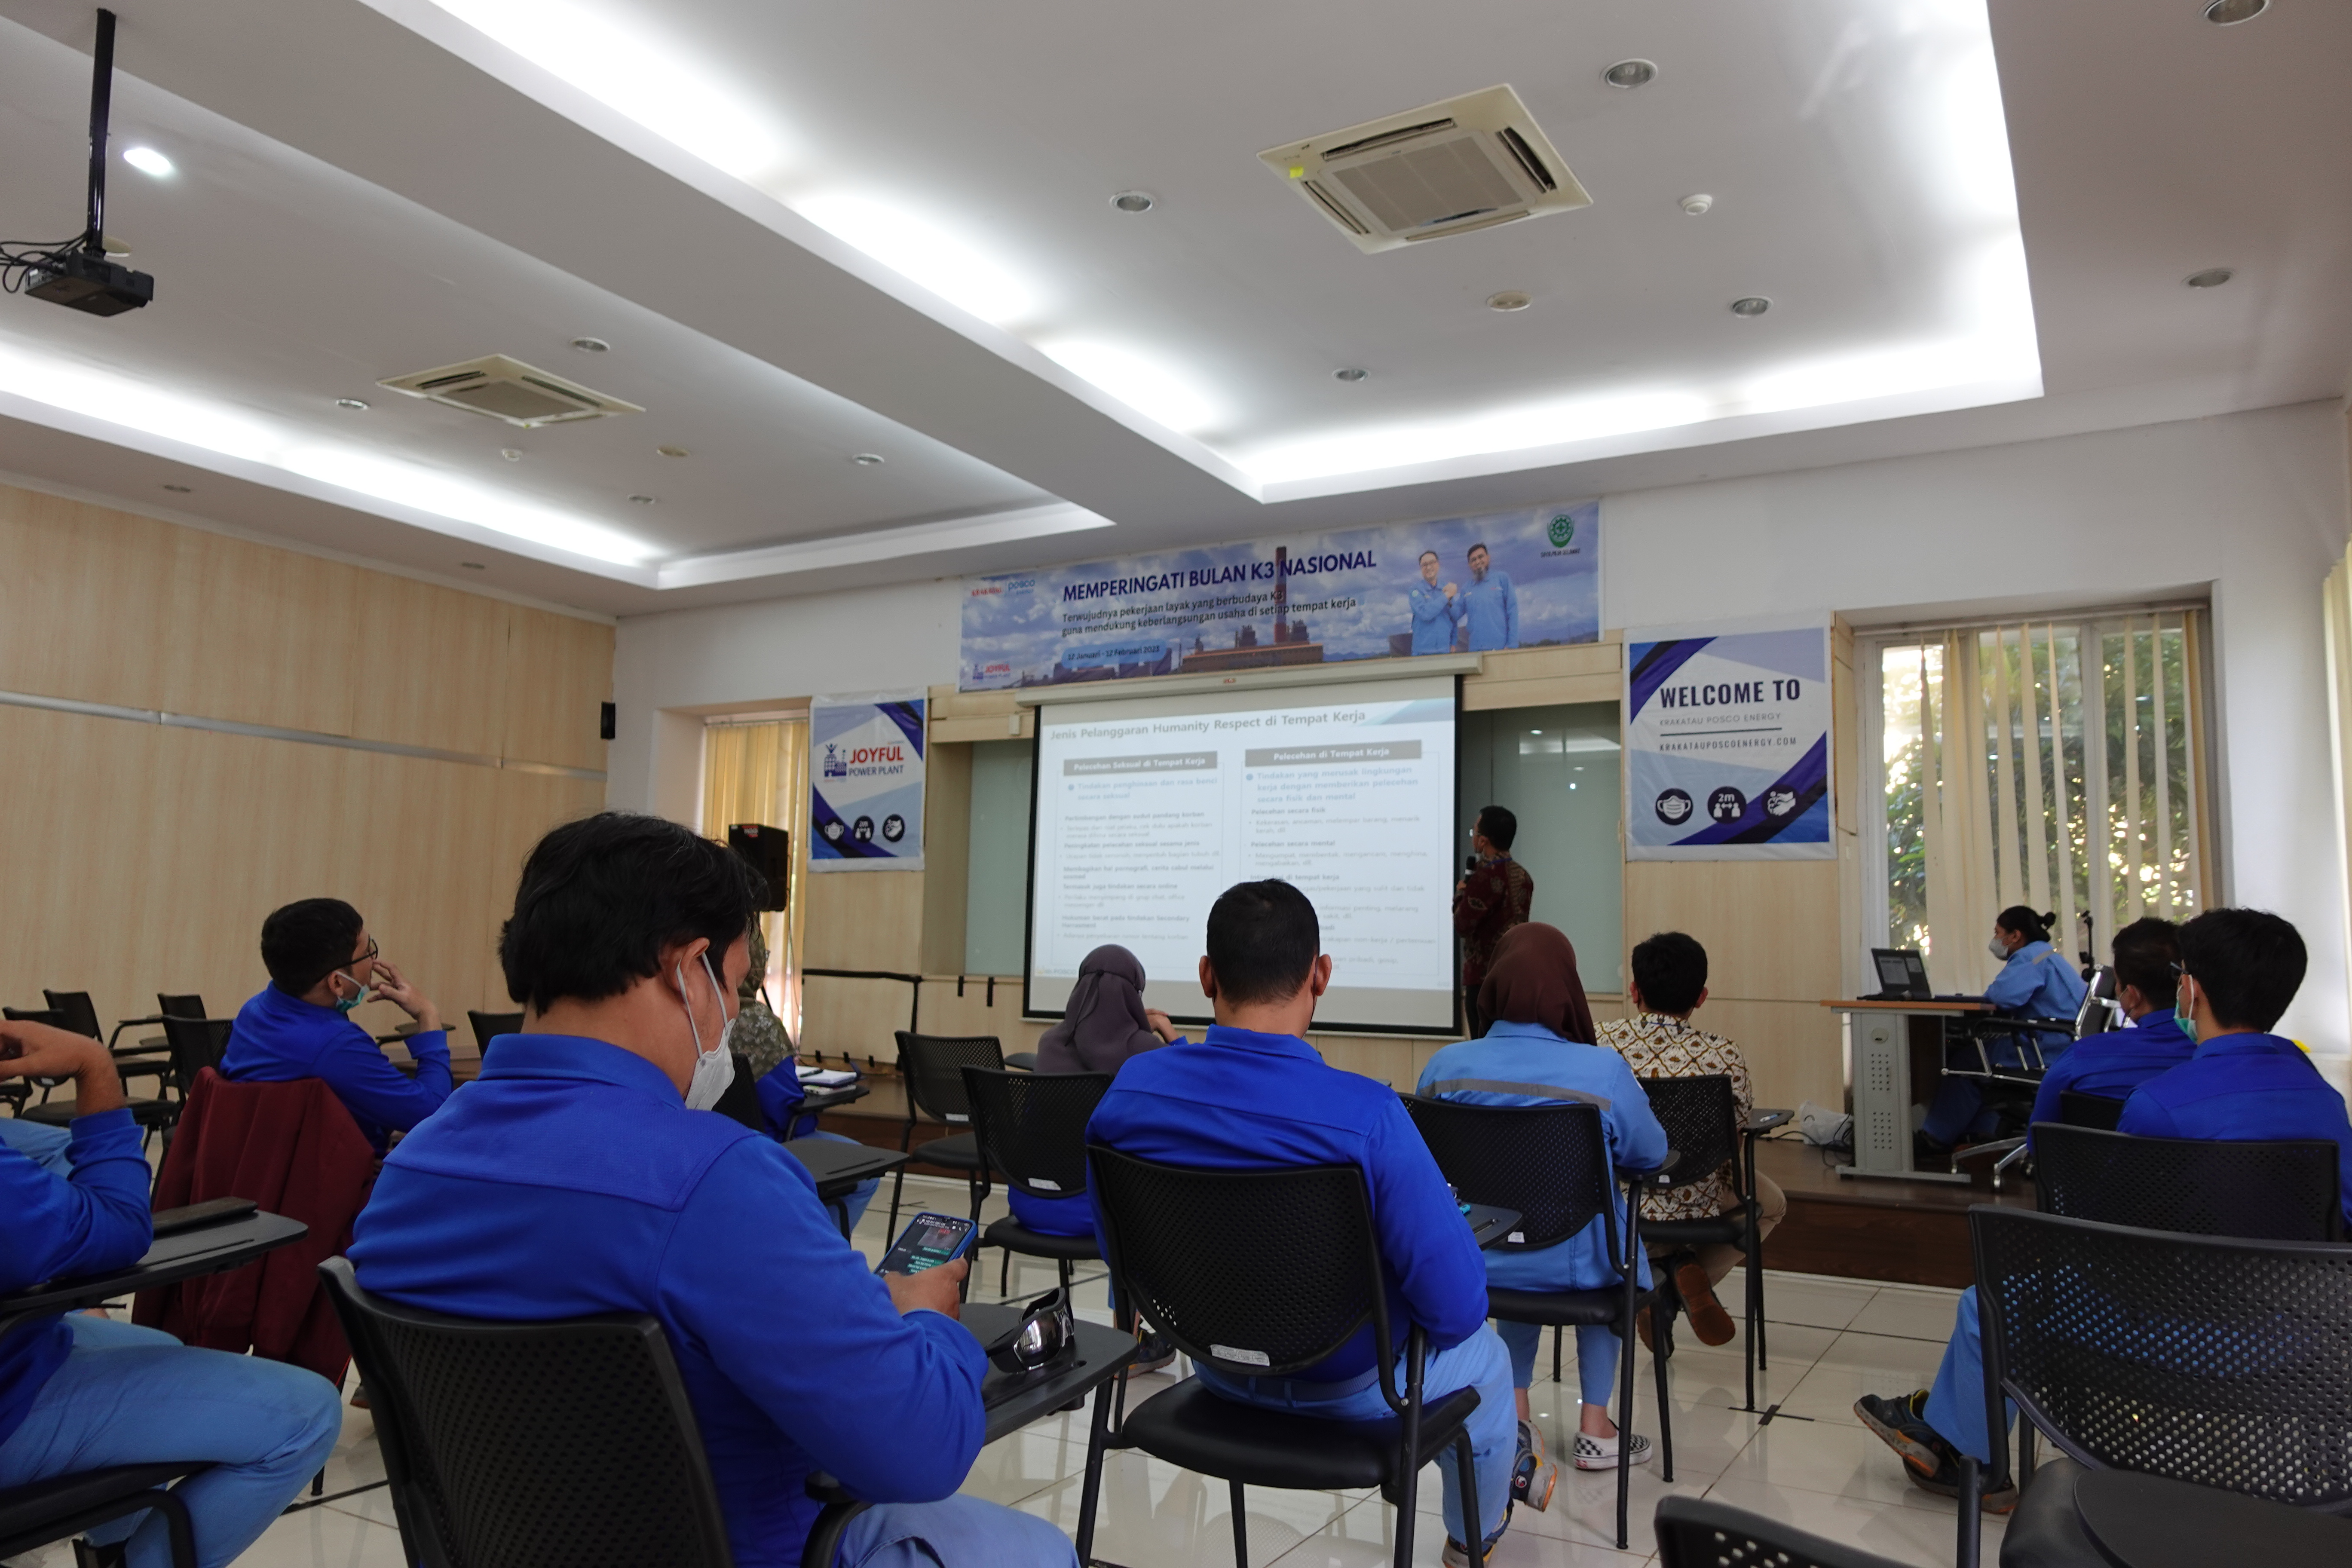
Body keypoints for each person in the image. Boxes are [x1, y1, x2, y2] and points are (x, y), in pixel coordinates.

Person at [350, 812, 1073, 1568]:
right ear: (688, 970)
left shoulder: (411, 1171)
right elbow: (921, 1452)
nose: (732, 1010)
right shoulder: (718, 1180)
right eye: (730, 984)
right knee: (1041, 1549)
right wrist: (927, 1317)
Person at [1856, 908, 2352, 1511]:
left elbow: (2107, 1239)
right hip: (2299, 1337)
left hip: (2183, 1336)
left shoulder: (2158, 1105)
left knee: (1986, 1304)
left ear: (2192, 990)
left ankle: (1975, 1466)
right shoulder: (2324, 1099)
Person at [1088, 881, 1517, 1568]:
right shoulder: (1369, 1117)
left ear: (1206, 976)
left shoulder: (1125, 1100)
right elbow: (1459, 1310)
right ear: (1321, 975)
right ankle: (1473, 1542)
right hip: (1356, 1390)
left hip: (1216, 1370)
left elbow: (1123, 1259)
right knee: (1490, 1360)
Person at [0, 1016, 342, 1568]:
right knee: (310, 1415)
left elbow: (46, 1152)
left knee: (157, 1346)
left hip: (16, 1343)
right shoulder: (340, 1045)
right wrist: (94, 1064)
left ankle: (109, 1552)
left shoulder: (258, 1024)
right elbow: (120, 1224)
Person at [1419, 923, 1667, 1499]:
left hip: (1479, 1259)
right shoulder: (1602, 1071)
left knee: (1520, 1226)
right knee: (1605, 1246)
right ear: (1567, 989)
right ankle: (1596, 1428)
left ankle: (1517, 1418)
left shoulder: (1445, 1067)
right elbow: (1650, 1154)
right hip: (1577, 1265)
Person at [1597, 932, 1785, 1348]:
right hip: (1698, 1193)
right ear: (1701, 997)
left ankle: (1658, 1280)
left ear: (1634, 991)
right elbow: (1733, 1141)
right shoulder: (1726, 1055)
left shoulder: (1600, 1044)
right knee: (1772, 1205)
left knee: (1637, 1205)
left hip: (1619, 1190)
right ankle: (1678, 1280)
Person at [221, 899, 452, 1153]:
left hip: (263, 1162)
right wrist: (428, 1015)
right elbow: (433, 1116)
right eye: (368, 952)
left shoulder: (254, 1010)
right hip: (337, 1173)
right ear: (337, 983)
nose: (374, 963)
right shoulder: (336, 1045)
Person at [1916, 905, 2086, 1164]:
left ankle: (1935, 1138)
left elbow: (2001, 997)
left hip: (2044, 1049)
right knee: (1982, 1057)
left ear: (2015, 935)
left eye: (1998, 933)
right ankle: (1982, 1133)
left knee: (1966, 1063)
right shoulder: (2050, 956)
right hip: (2062, 1048)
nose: (1995, 940)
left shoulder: (2030, 958)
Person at [2022, 917, 2191, 1137]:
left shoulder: (2081, 1058)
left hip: (2092, 1160)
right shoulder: (2217, 1059)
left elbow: (2040, 1138)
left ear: (2132, 996)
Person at [1453, 806, 1534, 1036]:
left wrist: (1461, 894)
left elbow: (1462, 925)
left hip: (1483, 983)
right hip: (1514, 981)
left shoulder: (1484, 878)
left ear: (1483, 841)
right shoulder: (1524, 877)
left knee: (1484, 1047)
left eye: (1474, 833)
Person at [1456, 542, 1518, 652]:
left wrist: (1512, 645)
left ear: (1488, 558)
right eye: (1473, 560)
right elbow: (1455, 614)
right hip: (1475, 651)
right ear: (1470, 565)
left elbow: (1512, 612)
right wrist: (1447, 598)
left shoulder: (1502, 579)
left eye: (1481, 557)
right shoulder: (1466, 588)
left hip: (1501, 650)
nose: (1478, 562)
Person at [1408, 549, 1462, 655]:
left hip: (1445, 651)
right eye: (1425, 565)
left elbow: (1454, 617)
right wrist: (1446, 596)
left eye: (1432, 563)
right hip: (1422, 653)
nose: (1429, 567)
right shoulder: (1415, 591)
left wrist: (1453, 642)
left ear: (1438, 564)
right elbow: (1425, 614)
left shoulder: (1446, 588)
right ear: (1421, 568)